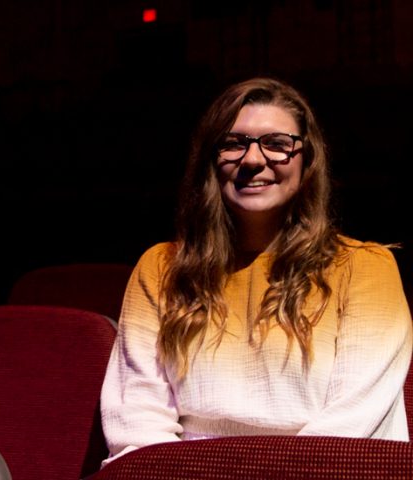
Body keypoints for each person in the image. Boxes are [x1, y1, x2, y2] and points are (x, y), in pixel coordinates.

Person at [100, 77, 413, 466]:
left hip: (322, 473)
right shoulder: (162, 268)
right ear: (210, 160)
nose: (252, 160)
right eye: (234, 143)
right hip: (186, 475)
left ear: (307, 161)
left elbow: (351, 424)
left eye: (277, 144)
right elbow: (137, 418)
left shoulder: (366, 268)